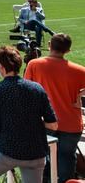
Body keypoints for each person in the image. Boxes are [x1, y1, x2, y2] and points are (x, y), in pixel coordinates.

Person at [0, 46, 57, 183]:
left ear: (2, 68)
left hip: (8, 151)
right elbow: (53, 125)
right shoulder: (37, 88)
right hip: (36, 153)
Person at [24, 34, 85, 183]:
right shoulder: (80, 70)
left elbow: (25, 90)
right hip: (71, 124)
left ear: (49, 45)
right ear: (68, 50)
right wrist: (80, 98)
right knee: (67, 160)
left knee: (43, 161)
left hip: (44, 123)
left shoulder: (35, 64)